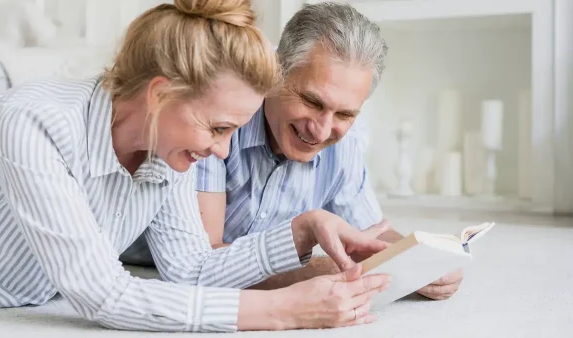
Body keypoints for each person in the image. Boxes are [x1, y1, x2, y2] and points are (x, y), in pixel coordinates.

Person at [0, 0, 392, 332]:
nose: (225, 152)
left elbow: (191, 269)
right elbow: (102, 294)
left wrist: (303, 228)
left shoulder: (168, 145)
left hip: (36, 297)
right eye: (219, 128)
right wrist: (283, 310)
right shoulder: (31, 122)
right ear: (160, 95)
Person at [195, 2, 464, 299]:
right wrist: (321, 271)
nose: (322, 131)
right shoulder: (222, 115)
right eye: (312, 102)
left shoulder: (344, 145)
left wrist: (421, 260)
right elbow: (203, 264)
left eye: (344, 115)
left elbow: (372, 233)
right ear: (275, 71)